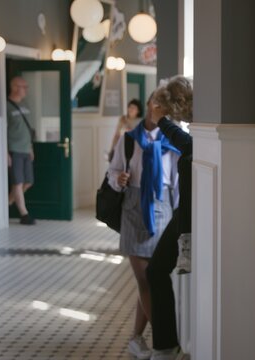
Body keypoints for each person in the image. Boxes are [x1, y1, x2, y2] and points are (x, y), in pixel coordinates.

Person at [108, 94, 181, 360]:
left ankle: (137, 339)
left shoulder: (172, 143)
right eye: (156, 103)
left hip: (162, 211)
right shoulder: (129, 139)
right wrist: (120, 178)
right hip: (133, 210)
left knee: (152, 279)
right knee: (145, 279)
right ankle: (165, 342)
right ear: (149, 106)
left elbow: (176, 186)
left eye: (165, 105)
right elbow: (112, 171)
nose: (159, 108)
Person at [145, 75, 193, 360]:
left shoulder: (201, 122)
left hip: (191, 216)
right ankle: (166, 345)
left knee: (155, 272)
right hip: (184, 214)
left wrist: (162, 122)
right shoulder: (194, 124)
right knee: (155, 271)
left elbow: (190, 145)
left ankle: (167, 346)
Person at [7, 76, 36, 225]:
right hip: (14, 149)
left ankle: (5, 205)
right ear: (14, 87)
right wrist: (5, 152)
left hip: (26, 149)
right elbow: (2, 131)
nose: (26, 90)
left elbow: (27, 128)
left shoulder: (25, 105)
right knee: (17, 182)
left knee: (28, 182)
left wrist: (30, 147)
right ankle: (24, 214)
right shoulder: (7, 106)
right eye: (23, 86)